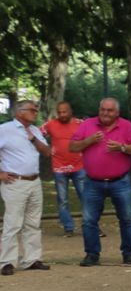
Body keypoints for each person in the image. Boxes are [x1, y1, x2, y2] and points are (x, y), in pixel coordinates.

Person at [70, 98, 131, 266]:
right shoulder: (87, 124)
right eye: (103, 109)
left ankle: (128, 253)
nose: (105, 113)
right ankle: (92, 254)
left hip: (120, 181)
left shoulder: (126, 126)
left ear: (117, 112)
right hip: (92, 182)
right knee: (89, 220)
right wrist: (88, 141)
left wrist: (122, 147)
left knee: (127, 219)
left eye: (109, 110)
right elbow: (72, 147)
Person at [0, 100, 51, 275]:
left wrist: (33, 139)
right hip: (15, 183)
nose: (35, 112)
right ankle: (7, 262)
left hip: (34, 182)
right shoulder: (5, 130)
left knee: (33, 223)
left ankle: (32, 259)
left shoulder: (35, 130)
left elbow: (47, 151)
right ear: (19, 112)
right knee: (13, 223)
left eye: (36, 110)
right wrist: (0, 174)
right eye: (32, 110)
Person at [43, 100, 85, 235]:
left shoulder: (80, 124)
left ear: (70, 111)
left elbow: (93, 137)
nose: (62, 115)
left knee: (85, 197)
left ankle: (90, 225)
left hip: (79, 166)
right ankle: (68, 227)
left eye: (64, 111)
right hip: (59, 167)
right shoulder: (50, 125)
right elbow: (36, 134)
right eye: (59, 112)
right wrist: (46, 148)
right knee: (62, 199)